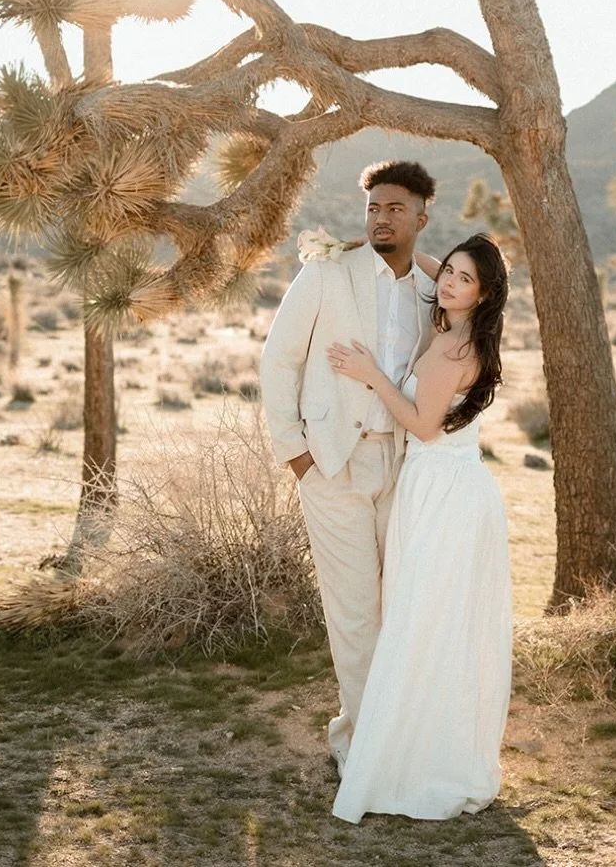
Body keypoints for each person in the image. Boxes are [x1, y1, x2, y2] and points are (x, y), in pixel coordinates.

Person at [259, 160, 438, 773]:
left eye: (395, 208)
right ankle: (362, 749)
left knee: (398, 607)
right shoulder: (327, 272)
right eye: (373, 207)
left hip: (406, 465)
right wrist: (297, 454)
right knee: (355, 611)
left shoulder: (433, 290)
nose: (381, 218)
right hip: (332, 464)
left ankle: (399, 734)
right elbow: (279, 359)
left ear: (421, 216)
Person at [327, 233, 512, 824]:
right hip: (446, 488)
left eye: (465, 280)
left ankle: (421, 759)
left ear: (485, 296)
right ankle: (425, 743)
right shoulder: (461, 328)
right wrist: (390, 242)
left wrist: (371, 373)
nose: (450, 282)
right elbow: (432, 267)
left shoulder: (452, 351)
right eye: (449, 273)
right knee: (434, 620)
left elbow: (423, 426)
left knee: (424, 621)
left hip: (442, 491)